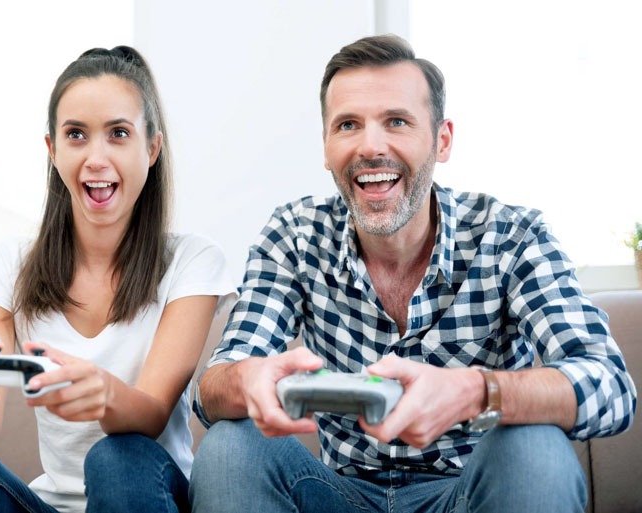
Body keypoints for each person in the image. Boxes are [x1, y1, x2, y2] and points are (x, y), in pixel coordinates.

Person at [189, 34, 636, 513]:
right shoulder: (294, 235)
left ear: (441, 140)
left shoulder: (512, 236)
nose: (370, 146)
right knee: (230, 446)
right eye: (348, 125)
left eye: (397, 121)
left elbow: (607, 385)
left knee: (534, 448)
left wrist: (476, 391)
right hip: (338, 495)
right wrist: (246, 381)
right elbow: (213, 386)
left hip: (469, 493)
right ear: (325, 146)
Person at [0, 46, 233, 513]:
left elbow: (153, 412)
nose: (96, 157)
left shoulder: (192, 261)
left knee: (117, 456)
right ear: (53, 151)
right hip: (49, 504)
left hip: (146, 492)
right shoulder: (9, 263)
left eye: (118, 133)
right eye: (76, 135)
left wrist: (106, 393)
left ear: (152, 148)